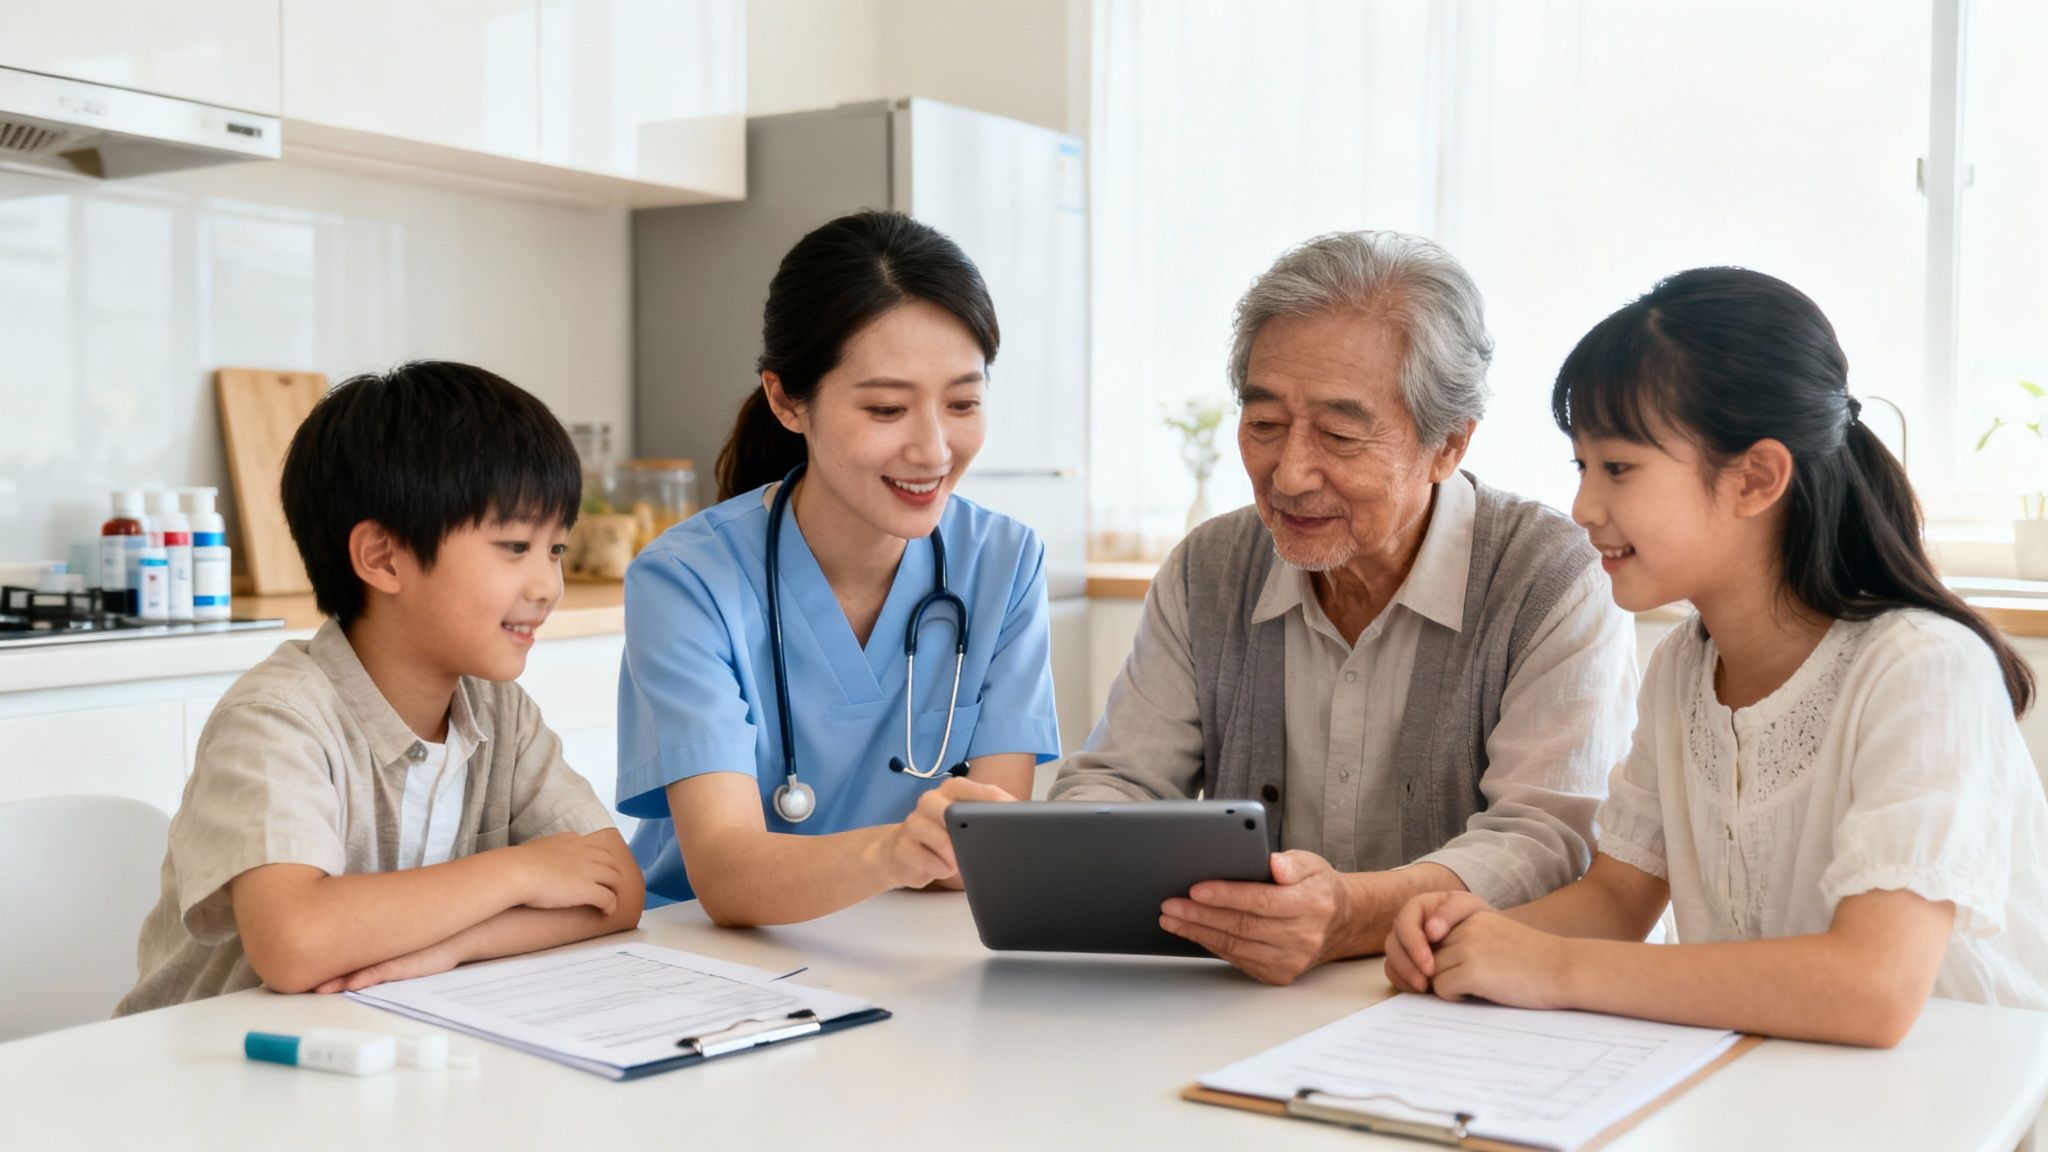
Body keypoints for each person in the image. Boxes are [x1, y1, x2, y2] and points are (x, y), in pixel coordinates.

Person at [1385, 267, 2048, 1045]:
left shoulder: (1924, 669)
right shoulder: (1681, 669)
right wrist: (1466, 938)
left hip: (1959, 1107)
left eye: (1619, 468)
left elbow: (1873, 989)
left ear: (1757, 477)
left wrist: (1548, 967)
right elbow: (1617, 901)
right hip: (1771, 1093)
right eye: (1581, 466)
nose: (1583, 507)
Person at [1051, 230, 1638, 984]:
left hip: (1457, 1004)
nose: (1289, 474)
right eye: (1264, 425)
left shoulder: (1553, 576)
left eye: (1339, 434)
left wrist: (1350, 914)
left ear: (1448, 445)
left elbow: (1547, 838)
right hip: (1241, 1002)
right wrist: (1082, 842)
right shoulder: (1209, 568)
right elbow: (1119, 782)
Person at [117, 362, 642, 1014]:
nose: (546, 586)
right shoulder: (277, 719)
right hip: (205, 1073)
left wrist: (455, 946)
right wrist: (520, 871)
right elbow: (296, 941)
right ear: (383, 558)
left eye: (555, 550)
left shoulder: (498, 711)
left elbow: (617, 890)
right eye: (514, 547)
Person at [616, 210, 1060, 924]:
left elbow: (988, 842)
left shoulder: (1004, 563)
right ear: (787, 400)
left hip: (915, 945)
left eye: (963, 402)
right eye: (887, 408)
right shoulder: (686, 581)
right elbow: (727, 873)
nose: (933, 449)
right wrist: (893, 853)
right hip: (711, 959)